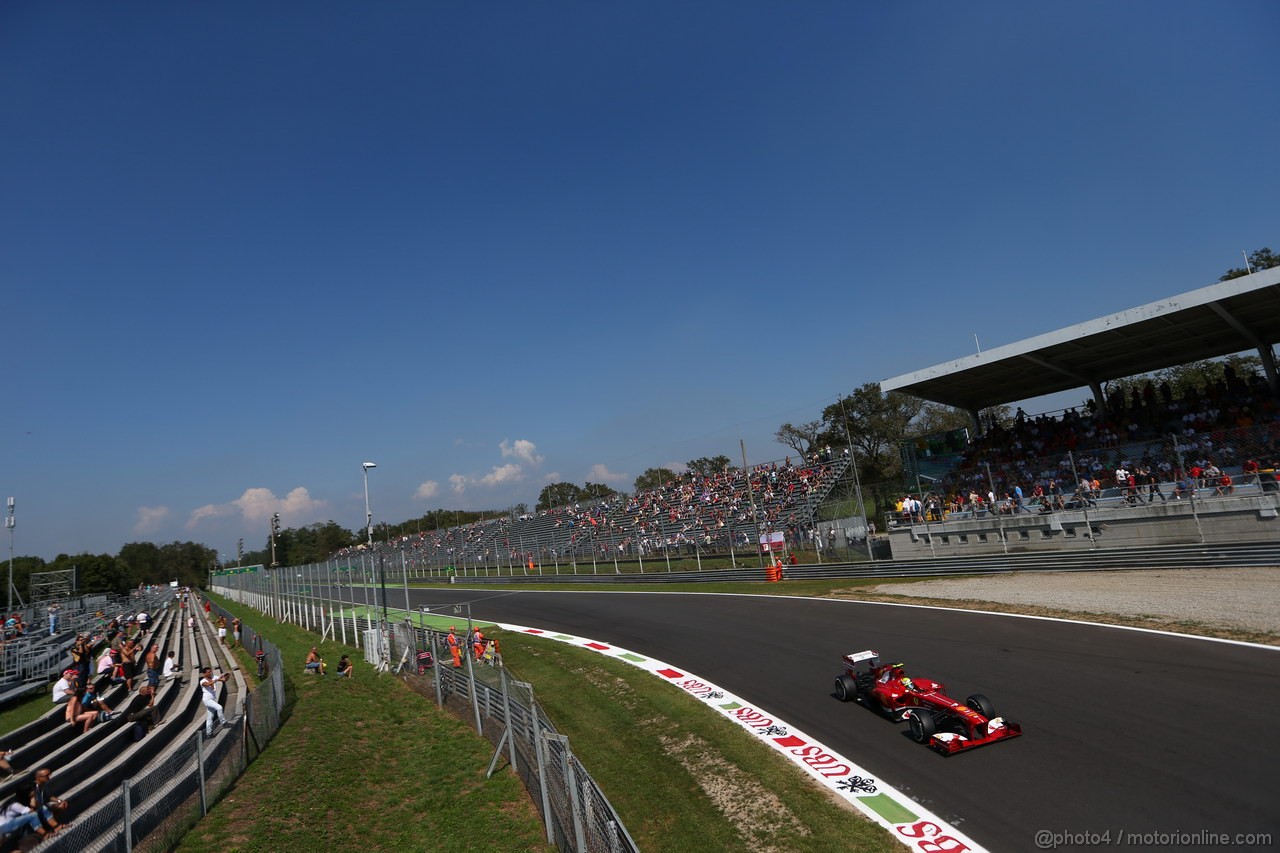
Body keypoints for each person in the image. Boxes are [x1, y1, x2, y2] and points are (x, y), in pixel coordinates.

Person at [199, 666, 230, 735]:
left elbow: (224, 680)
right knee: (219, 707)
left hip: (212, 699)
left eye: (211, 671)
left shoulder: (213, 677)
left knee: (210, 717)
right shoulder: (202, 681)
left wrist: (227, 675)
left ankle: (209, 733)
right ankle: (223, 723)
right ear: (204, 674)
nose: (210, 673)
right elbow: (207, 684)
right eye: (208, 672)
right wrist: (217, 679)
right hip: (207, 700)